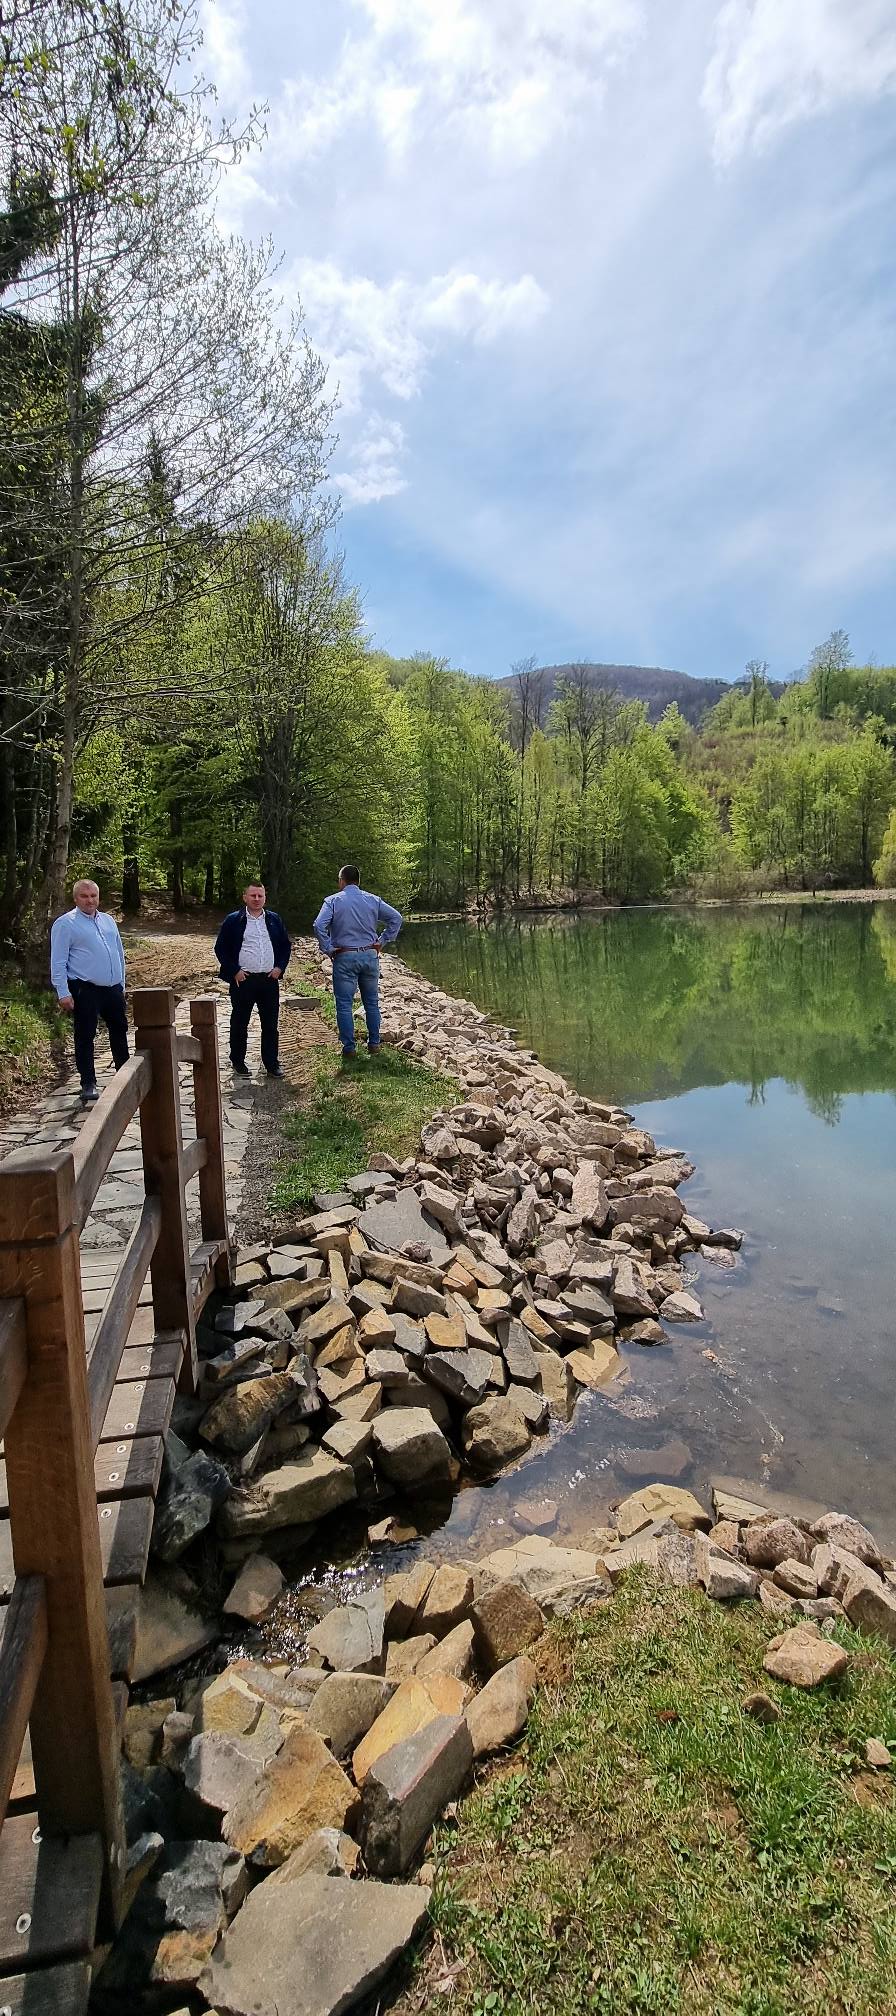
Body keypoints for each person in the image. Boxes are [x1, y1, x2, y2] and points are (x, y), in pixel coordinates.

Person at [50, 879, 130, 1106]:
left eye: (93, 896)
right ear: (75, 898)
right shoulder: (66, 924)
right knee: (85, 1034)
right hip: (85, 987)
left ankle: (124, 1074)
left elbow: (119, 953)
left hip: (112, 988)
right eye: (84, 896)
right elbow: (58, 961)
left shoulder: (108, 921)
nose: (90, 900)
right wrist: (63, 992)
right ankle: (88, 1082)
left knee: (119, 1029)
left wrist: (121, 984)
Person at [313, 865, 403, 1058]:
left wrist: (328, 948)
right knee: (371, 1002)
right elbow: (396, 918)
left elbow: (319, 925)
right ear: (358, 881)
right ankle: (374, 1044)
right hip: (370, 955)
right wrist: (382, 940)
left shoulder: (333, 901)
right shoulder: (373, 900)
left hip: (345, 956)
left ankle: (349, 1048)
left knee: (344, 1004)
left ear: (341, 880)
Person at [214, 881, 292, 1078]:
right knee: (240, 1023)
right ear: (245, 897)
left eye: (260, 896)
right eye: (253, 895)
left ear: (265, 898)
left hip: (269, 980)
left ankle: (271, 1063)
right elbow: (220, 948)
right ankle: (238, 1061)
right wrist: (234, 971)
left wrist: (280, 967)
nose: (257, 899)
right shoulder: (234, 920)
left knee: (270, 1025)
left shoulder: (274, 919)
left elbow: (285, 946)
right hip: (244, 981)